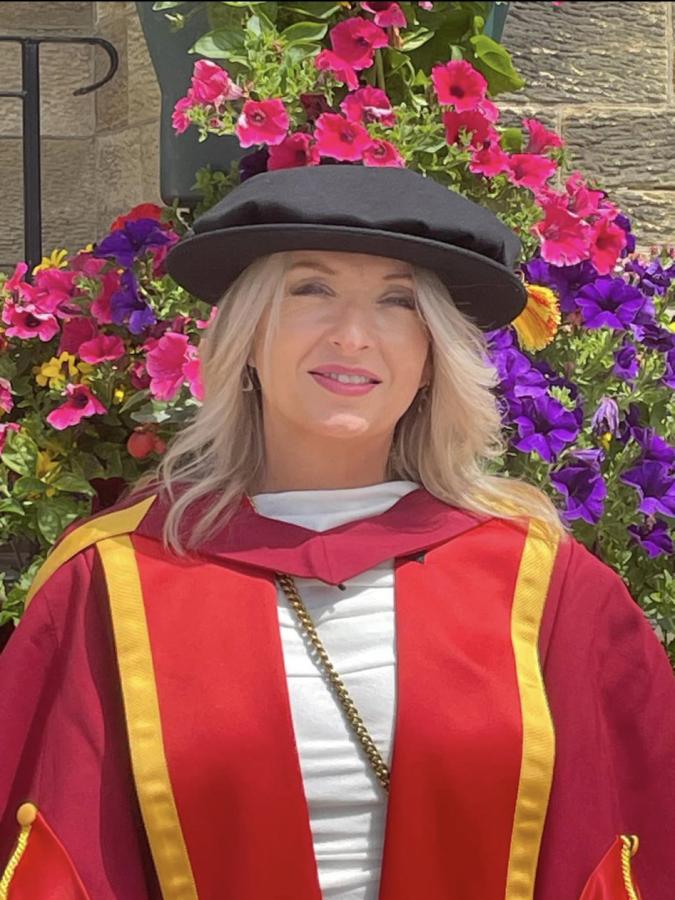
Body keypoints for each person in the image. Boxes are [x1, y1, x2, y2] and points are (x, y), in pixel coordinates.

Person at [0, 164, 673, 900]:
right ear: (247, 337)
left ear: (430, 357)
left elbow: (628, 839)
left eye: (397, 301)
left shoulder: (544, 588)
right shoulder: (115, 579)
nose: (353, 335)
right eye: (310, 290)